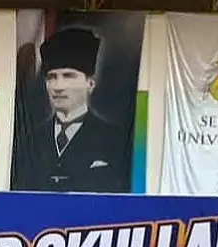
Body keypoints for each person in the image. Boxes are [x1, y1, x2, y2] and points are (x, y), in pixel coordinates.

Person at [10, 26, 133, 193]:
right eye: (52, 77)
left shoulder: (114, 140)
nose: (58, 87)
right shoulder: (29, 141)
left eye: (68, 76)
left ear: (90, 84)